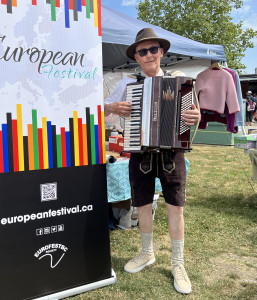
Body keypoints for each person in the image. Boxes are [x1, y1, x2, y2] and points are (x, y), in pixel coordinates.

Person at [104, 28, 200, 294]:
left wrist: (195, 118)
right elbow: (101, 108)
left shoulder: (180, 82)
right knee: (142, 204)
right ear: (136, 56)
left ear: (162, 52)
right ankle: (147, 252)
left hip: (173, 153)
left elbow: (195, 115)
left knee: (175, 206)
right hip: (139, 151)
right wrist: (112, 108)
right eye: (142, 51)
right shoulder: (126, 83)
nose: (148, 55)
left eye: (153, 49)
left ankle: (178, 263)